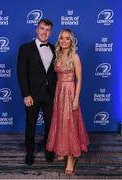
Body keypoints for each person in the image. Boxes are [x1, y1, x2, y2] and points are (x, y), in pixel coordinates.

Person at [46, 29, 90, 175]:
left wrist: (76, 98)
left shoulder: (75, 57)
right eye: (62, 38)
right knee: (60, 122)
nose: (64, 41)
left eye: (67, 39)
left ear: (72, 41)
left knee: (70, 123)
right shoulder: (57, 55)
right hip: (59, 93)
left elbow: (79, 79)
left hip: (70, 93)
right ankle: (63, 150)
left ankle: (71, 158)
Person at [17, 18, 57, 165]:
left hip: (50, 95)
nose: (44, 32)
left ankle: (48, 150)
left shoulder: (54, 48)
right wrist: (25, 94)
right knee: (31, 124)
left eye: (47, 30)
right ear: (36, 29)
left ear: (50, 32)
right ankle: (29, 152)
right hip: (32, 95)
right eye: (42, 29)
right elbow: (21, 73)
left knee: (50, 125)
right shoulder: (25, 48)